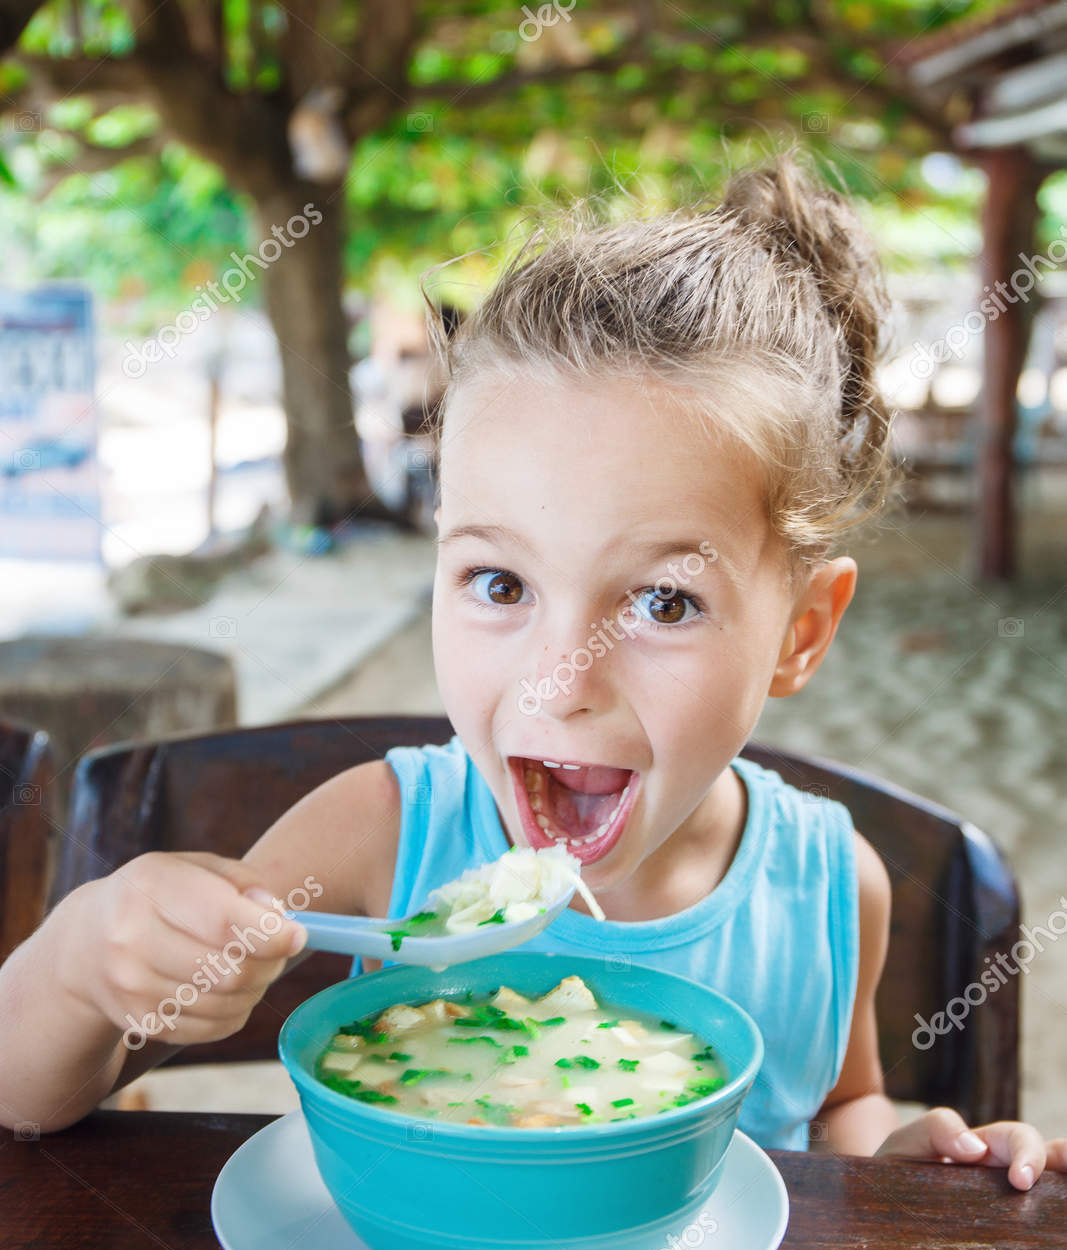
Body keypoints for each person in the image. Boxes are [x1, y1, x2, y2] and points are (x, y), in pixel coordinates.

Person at [3, 143, 1064, 1190]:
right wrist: (87, 961)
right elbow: (24, 1093)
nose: (560, 681)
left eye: (662, 601)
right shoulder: (380, 839)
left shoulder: (832, 885)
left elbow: (833, 1108)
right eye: (499, 583)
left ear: (798, 631)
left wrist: (900, 1161)